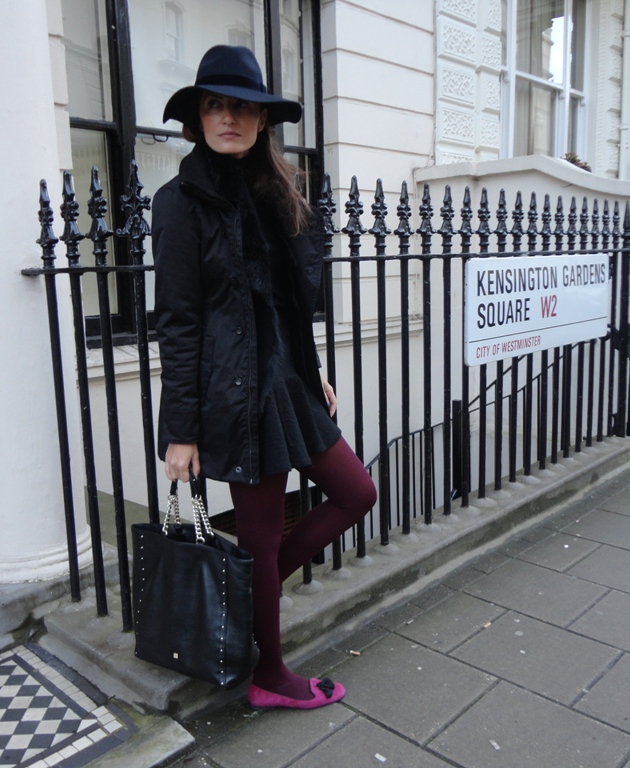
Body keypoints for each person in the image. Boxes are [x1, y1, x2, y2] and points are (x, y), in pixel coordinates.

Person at [152, 45, 378, 710]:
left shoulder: (274, 194)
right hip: (234, 394)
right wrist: (181, 430)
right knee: (258, 534)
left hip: (286, 383)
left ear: (260, 121)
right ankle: (268, 675)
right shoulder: (179, 203)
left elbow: (286, 303)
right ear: (198, 118)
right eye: (215, 105)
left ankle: (250, 592)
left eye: (242, 107)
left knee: (356, 493)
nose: (229, 117)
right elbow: (179, 322)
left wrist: (312, 372)